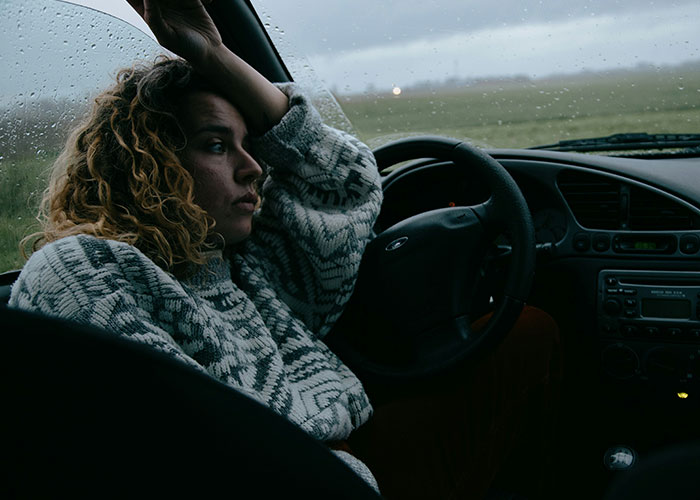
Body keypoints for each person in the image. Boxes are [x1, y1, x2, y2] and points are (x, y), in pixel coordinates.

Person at [9, 1, 561, 498]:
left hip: (340, 462)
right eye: (218, 145)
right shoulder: (85, 272)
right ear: (146, 164)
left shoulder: (245, 268)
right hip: (302, 480)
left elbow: (343, 182)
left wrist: (218, 56)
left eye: (251, 146)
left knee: (527, 331)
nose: (254, 169)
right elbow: (181, 453)